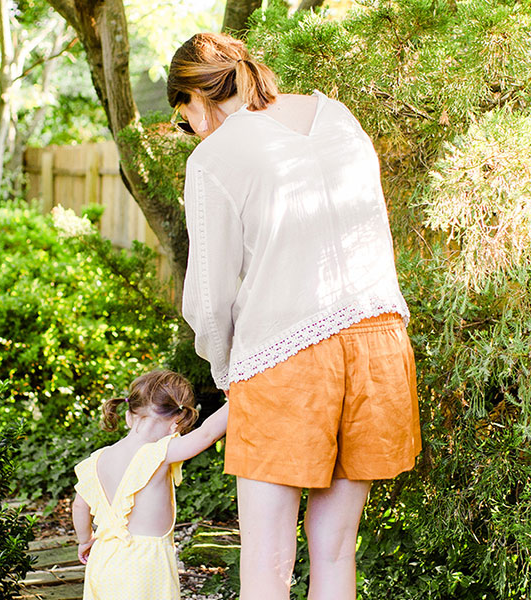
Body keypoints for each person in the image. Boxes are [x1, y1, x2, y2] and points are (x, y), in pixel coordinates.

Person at [167, 32, 421, 600]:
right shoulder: (337, 116)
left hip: (288, 357)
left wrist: (227, 368)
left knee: (266, 563)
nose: (193, 133)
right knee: (334, 551)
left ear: (195, 97)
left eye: (185, 120)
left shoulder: (215, 154)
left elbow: (208, 299)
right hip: (379, 346)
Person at [71, 369, 228, 600]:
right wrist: (237, 398)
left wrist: (85, 540)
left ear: (128, 415)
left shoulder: (97, 460)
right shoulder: (160, 453)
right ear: (177, 422)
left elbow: (79, 506)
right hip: (145, 565)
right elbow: (207, 434)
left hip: (103, 558)